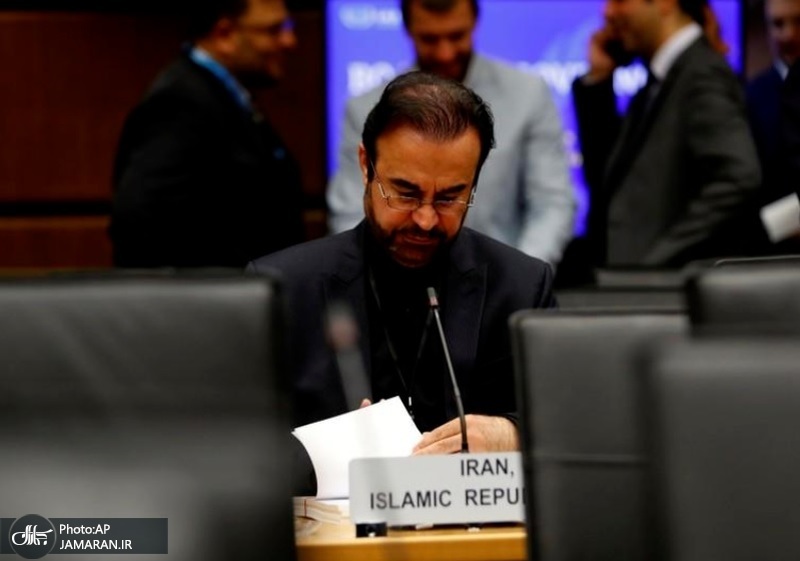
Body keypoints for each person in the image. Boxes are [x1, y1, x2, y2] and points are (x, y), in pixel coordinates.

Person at [249, 71, 556, 455]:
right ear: (366, 165)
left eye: (449, 198)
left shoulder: (521, 287)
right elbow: (240, 440)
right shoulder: (282, 287)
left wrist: (509, 435)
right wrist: (327, 451)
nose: (425, 220)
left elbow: (565, 423)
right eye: (405, 193)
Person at [326, 0, 576, 267]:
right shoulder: (367, 108)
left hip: (500, 277)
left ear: (474, 23)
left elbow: (552, 203)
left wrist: (517, 276)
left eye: (457, 36)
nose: (445, 53)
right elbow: (350, 211)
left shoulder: (528, 95)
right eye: (429, 39)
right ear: (408, 30)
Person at [110, 0, 305, 268]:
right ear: (224, 34)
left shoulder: (223, 97)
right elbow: (142, 222)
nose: (289, 41)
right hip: (214, 293)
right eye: (274, 30)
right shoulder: (180, 103)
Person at [573, 0, 761, 267]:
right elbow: (613, 183)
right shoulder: (662, 78)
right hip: (632, 277)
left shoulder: (701, 74)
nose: (608, 12)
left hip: (666, 283)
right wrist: (599, 79)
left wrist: (661, 256)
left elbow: (739, 177)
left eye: (620, 1)